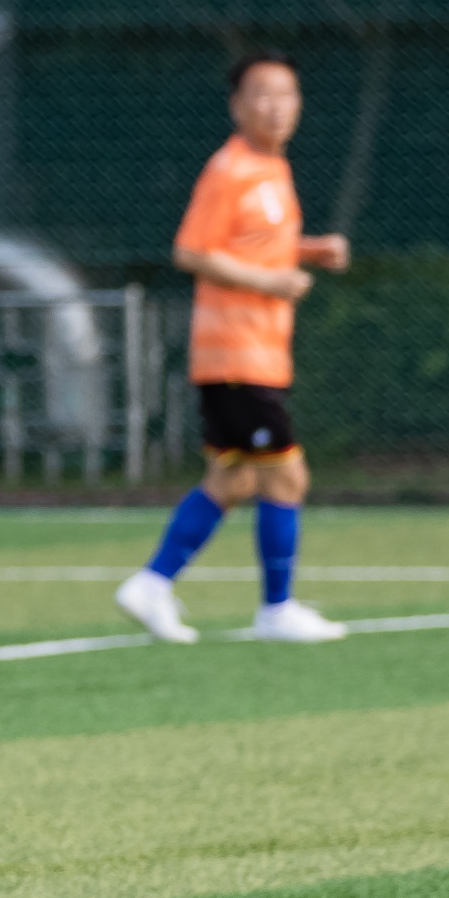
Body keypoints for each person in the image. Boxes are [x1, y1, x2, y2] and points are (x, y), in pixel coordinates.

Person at [117, 51, 349, 645]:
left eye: (288, 95)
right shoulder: (230, 169)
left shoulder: (273, 168)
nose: (277, 106)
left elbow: (252, 244)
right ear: (237, 105)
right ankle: (277, 608)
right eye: (263, 94)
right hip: (235, 351)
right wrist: (271, 282)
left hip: (260, 351)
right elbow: (192, 251)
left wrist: (309, 249)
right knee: (287, 476)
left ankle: (152, 583)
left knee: (235, 479)